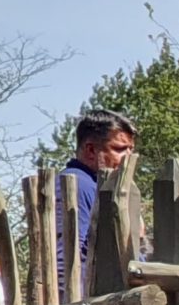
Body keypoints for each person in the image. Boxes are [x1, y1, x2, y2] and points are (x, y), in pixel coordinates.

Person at [57, 110, 137, 285]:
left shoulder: (101, 188)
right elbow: (65, 262)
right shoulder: (76, 185)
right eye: (120, 149)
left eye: (131, 150)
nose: (130, 158)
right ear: (91, 150)